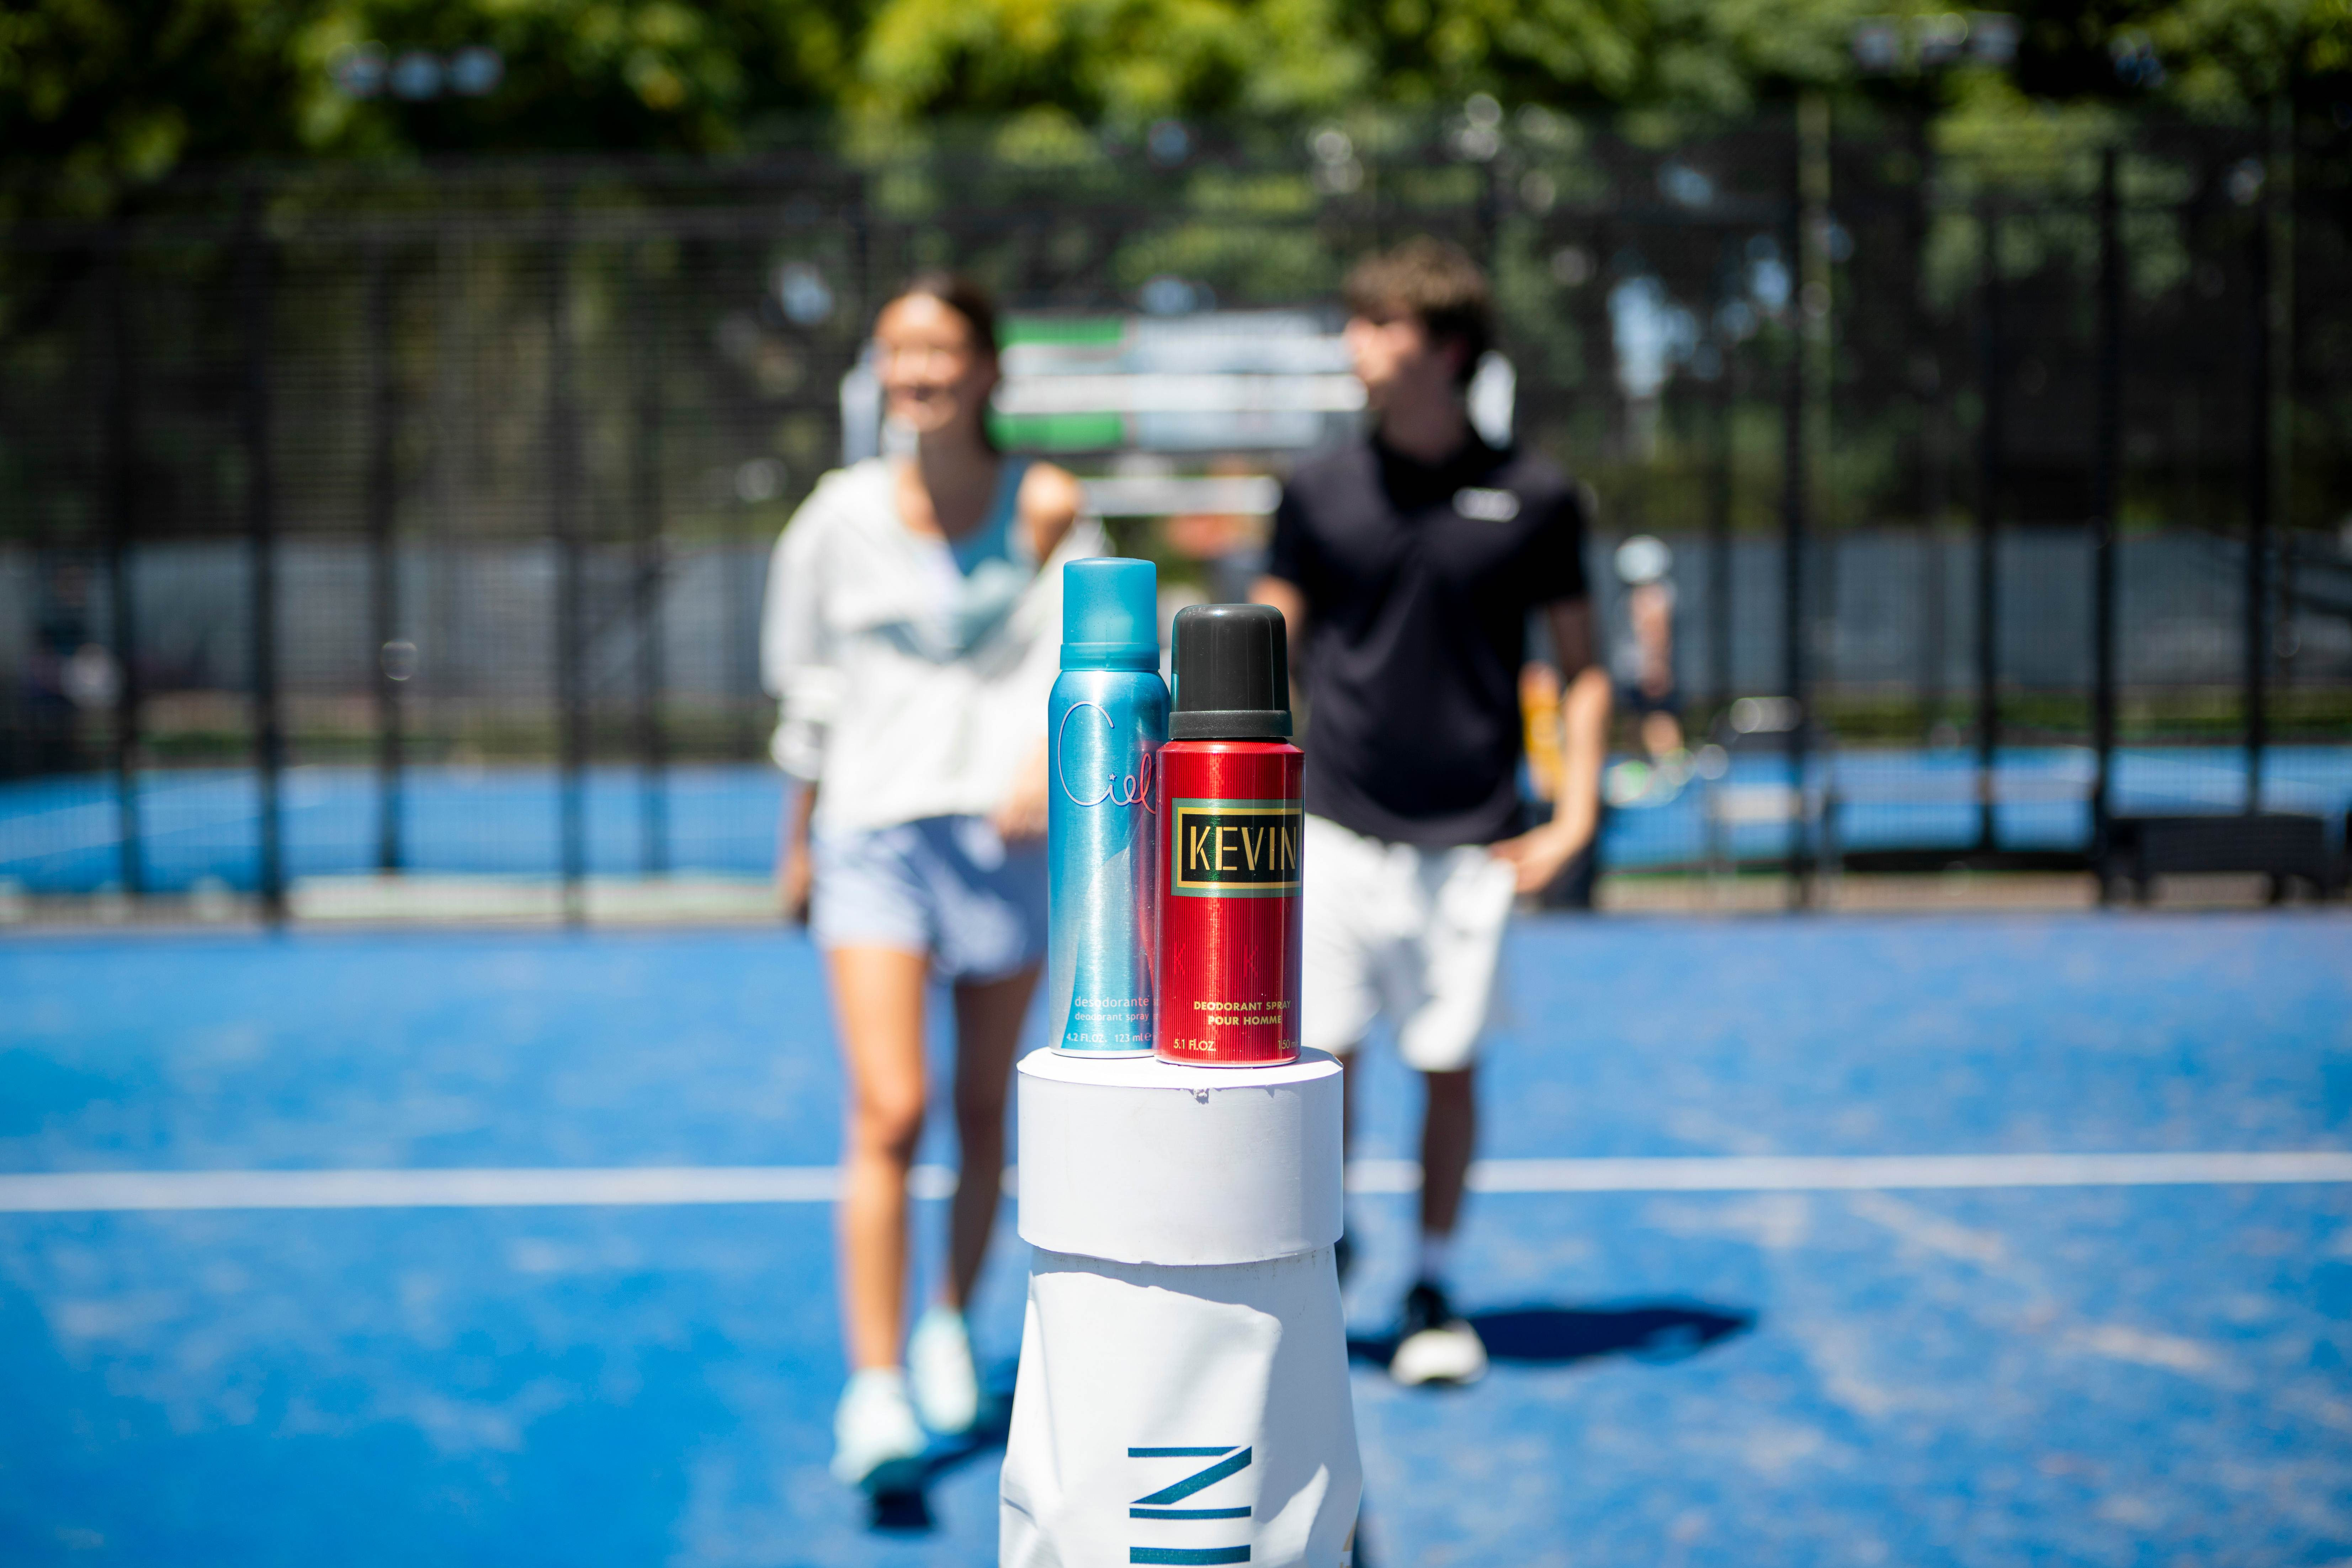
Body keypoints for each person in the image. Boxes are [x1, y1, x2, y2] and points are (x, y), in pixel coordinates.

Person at [761, 273, 1098, 1492]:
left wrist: (1046, 763)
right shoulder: (835, 518)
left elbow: (1097, 658)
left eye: (941, 349)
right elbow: (807, 691)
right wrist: (798, 838)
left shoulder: (1052, 507)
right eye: (897, 349)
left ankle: (949, 1321)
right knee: (891, 1109)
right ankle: (873, 1389)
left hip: (1006, 848)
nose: (918, 371)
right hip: (873, 840)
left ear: (987, 367)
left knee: (982, 1109)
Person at [1253, 238, 1610, 1386]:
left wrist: (1576, 816)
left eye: (1380, 324)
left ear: (1447, 348)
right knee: (1324, 1065)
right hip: (1332, 827)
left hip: (1474, 841)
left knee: (1448, 1066)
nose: (1355, 343)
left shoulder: (1539, 496)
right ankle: (1324, 1254)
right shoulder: (1317, 489)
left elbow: (1584, 668)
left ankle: (1434, 1284)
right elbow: (1266, 649)